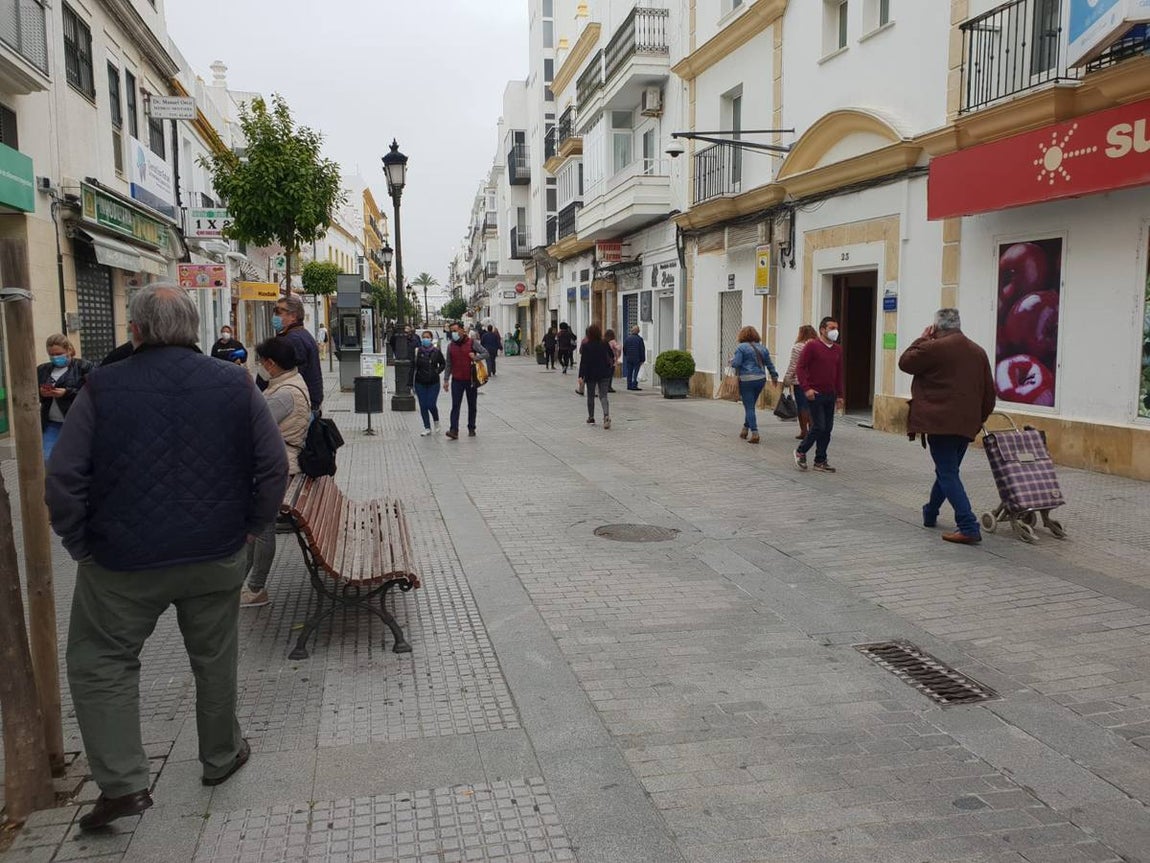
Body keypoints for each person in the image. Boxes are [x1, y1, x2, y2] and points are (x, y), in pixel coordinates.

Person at [45, 285, 288, 831]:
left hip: (121, 562)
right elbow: (272, 467)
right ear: (194, 330)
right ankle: (221, 757)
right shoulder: (233, 383)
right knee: (215, 657)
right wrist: (251, 528)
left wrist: (78, 542)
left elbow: (64, 477)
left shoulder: (103, 387)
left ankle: (123, 785)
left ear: (135, 330)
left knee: (101, 662)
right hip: (216, 553)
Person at [899, 308, 996, 545]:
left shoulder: (933, 347)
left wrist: (923, 338)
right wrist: (978, 419)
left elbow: (905, 362)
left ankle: (968, 525)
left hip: (939, 423)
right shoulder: (978, 351)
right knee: (947, 471)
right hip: (966, 425)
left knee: (947, 472)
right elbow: (989, 394)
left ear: (936, 327)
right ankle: (930, 512)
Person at [241, 337, 312, 607]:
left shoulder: (285, 393)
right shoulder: (289, 383)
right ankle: (244, 583)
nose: (259, 366)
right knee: (257, 527)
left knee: (262, 529)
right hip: (281, 464)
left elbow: (252, 425)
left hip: (276, 466)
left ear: (270, 363)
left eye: (260, 362)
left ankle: (256, 588)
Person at [794, 316, 844, 473]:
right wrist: (806, 388)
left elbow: (839, 373)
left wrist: (840, 395)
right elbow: (800, 368)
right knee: (819, 426)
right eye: (831, 328)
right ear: (822, 330)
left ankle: (820, 460)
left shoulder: (837, 349)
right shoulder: (812, 346)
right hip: (815, 394)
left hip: (830, 394)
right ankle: (801, 451)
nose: (835, 331)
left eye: (836, 328)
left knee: (827, 428)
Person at [260, 293, 322, 410]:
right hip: (306, 401)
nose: (275, 316)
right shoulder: (302, 334)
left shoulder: (292, 340)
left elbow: (286, 374)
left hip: (297, 404)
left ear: (293, 316)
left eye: (278, 312)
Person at [37, 334, 93, 460]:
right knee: (47, 459)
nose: (55, 357)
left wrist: (67, 392)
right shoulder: (42, 369)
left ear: (68, 350)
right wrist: (41, 393)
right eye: (51, 354)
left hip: (77, 423)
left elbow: (93, 393)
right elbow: (31, 395)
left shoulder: (83, 367)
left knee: (77, 460)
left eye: (59, 353)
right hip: (51, 424)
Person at [729, 326, 779, 445]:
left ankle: (755, 432)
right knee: (750, 405)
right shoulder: (763, 348)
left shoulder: (741, 347)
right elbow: (769, 364)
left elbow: (736, 363)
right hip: (760, 379)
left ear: (742, 335)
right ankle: (745, 429)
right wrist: (774, 376)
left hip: (746, 380)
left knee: (749, 407)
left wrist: (731, 361)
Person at [443, 321, 489, 439]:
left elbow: (486, 353)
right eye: (452, 331)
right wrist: (446, 380)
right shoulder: (451, 346)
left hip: (471, 380)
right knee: (455, 406)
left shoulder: (472, 343)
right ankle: (454, 430)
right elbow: (448, 364)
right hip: (457, 380)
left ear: (462, 330)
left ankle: (471, 427)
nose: (454, 333)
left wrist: (476, 357)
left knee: (472, 405)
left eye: (455, 330)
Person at [783, 325, 819, 441]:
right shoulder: (817, 346)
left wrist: (787, 379)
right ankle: (814, 429)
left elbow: (793, 365)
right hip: (815, 381)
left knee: (802, 406)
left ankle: (804, 431)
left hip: (800, 381)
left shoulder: (798, 347)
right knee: (813, 406)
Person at [578, 324, 614, 429]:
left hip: (590, 373)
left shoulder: (586, 345)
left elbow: (583, 362)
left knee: (590, 396)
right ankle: (606, 415)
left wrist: (581, 375)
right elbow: (611, 355)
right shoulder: (604, 343)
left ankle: (591, 417)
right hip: (604, 372)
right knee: (603, 396)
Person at [411, 330, 446, 436]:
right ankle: (427, 427)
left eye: (427, 337)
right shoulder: (418, 351)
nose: (425, 339)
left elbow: (443, 364)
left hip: (433, 382)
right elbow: (413, 367)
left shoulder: (436, 351)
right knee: (423, 405)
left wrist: (436, 372)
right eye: (423, 337)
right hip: (420, 382)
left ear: (431, 339)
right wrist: (410, 382)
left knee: (430, 404)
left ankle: (436, 421)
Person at [622, 325, 645, 390]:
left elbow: (624, 348)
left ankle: (629, 385)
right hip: (637, 358)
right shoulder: (640, 339)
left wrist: (626, 355)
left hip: (629, 358)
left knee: (629, 372)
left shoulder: (627, 339)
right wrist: (643, 359)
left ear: (632, 331)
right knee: (636, 372)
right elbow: (642, 350)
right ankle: (634, 385)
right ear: (638, 331)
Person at [604, 328, 620, 393]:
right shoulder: (613, 342)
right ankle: (609, 387)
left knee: (606, 374)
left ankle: (605, 386)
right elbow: (618, 348)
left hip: (605, 360)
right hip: (612, 360)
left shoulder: (605, 341)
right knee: (610, 374)